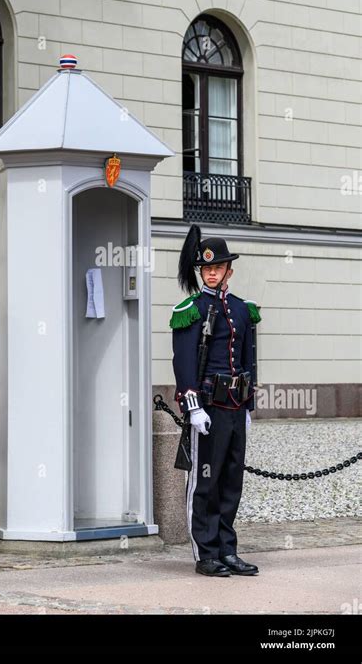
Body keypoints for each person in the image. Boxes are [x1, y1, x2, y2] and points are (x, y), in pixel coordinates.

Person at [169, 224, 260, 577]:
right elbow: (184, 361)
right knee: (205, 482)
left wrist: (248, 406)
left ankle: (227, 550)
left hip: (235, 407)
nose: (211, 273)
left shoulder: (241, 309)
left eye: (217, 268)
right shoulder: (190, 309)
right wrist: (192, 407)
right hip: (208, 407)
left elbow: (249, 360)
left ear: (228, 271)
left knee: (231, 481)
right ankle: (205, 553)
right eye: (207, 268)